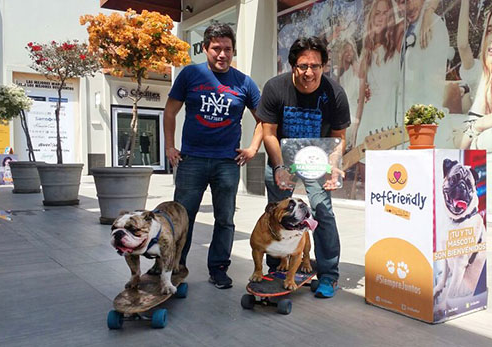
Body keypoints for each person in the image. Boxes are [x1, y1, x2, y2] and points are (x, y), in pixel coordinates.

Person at [163, 23, 263, 289]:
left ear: (233, 51)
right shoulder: (190, 75)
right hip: (191, 160)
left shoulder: (244, 82)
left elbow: (264, 120)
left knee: (225, 219)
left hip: (226, 163)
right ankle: (175, 268)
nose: (222, 54)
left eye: (227, 49)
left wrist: (253, 148)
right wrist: (170, 146)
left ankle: (218, 268)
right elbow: (170, 111)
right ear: (205, 48)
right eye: (216, 48)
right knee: (182, 217)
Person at [258, 36, 350, 298]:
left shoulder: (335, 93)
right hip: (281, 158)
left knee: (322, 214)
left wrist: (333, 165)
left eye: (316, 66)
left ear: (324, 66)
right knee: (276, 214)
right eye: (302, 66)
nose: (309, 72)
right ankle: (277, 266)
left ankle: (329, 275)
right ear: (292, 67)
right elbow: (269, 133)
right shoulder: (275, 88)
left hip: (316, 161)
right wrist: (278, 167)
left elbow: (339, 138)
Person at [453, 1, 492, 215]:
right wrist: (487, 122)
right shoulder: (489, 81)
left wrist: (477, 138)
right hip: (487, 194)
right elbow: (460, 143)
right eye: (489, 30)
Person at [351, 0, 399, 148]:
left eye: (385, 13)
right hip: (370, 118)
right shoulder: (367, 52)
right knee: (366, 165)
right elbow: (361, 94)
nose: (380, 18)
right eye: (377, 13)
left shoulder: (397, 46)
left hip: (390, 119)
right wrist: (356, 127)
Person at [395, 0, 450, 113]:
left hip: (419, 118)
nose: (404, 8)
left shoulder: (432, 26)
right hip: (402, 116)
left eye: (407, 1)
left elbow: (432, 87)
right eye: (399, 3)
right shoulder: (404, 28)